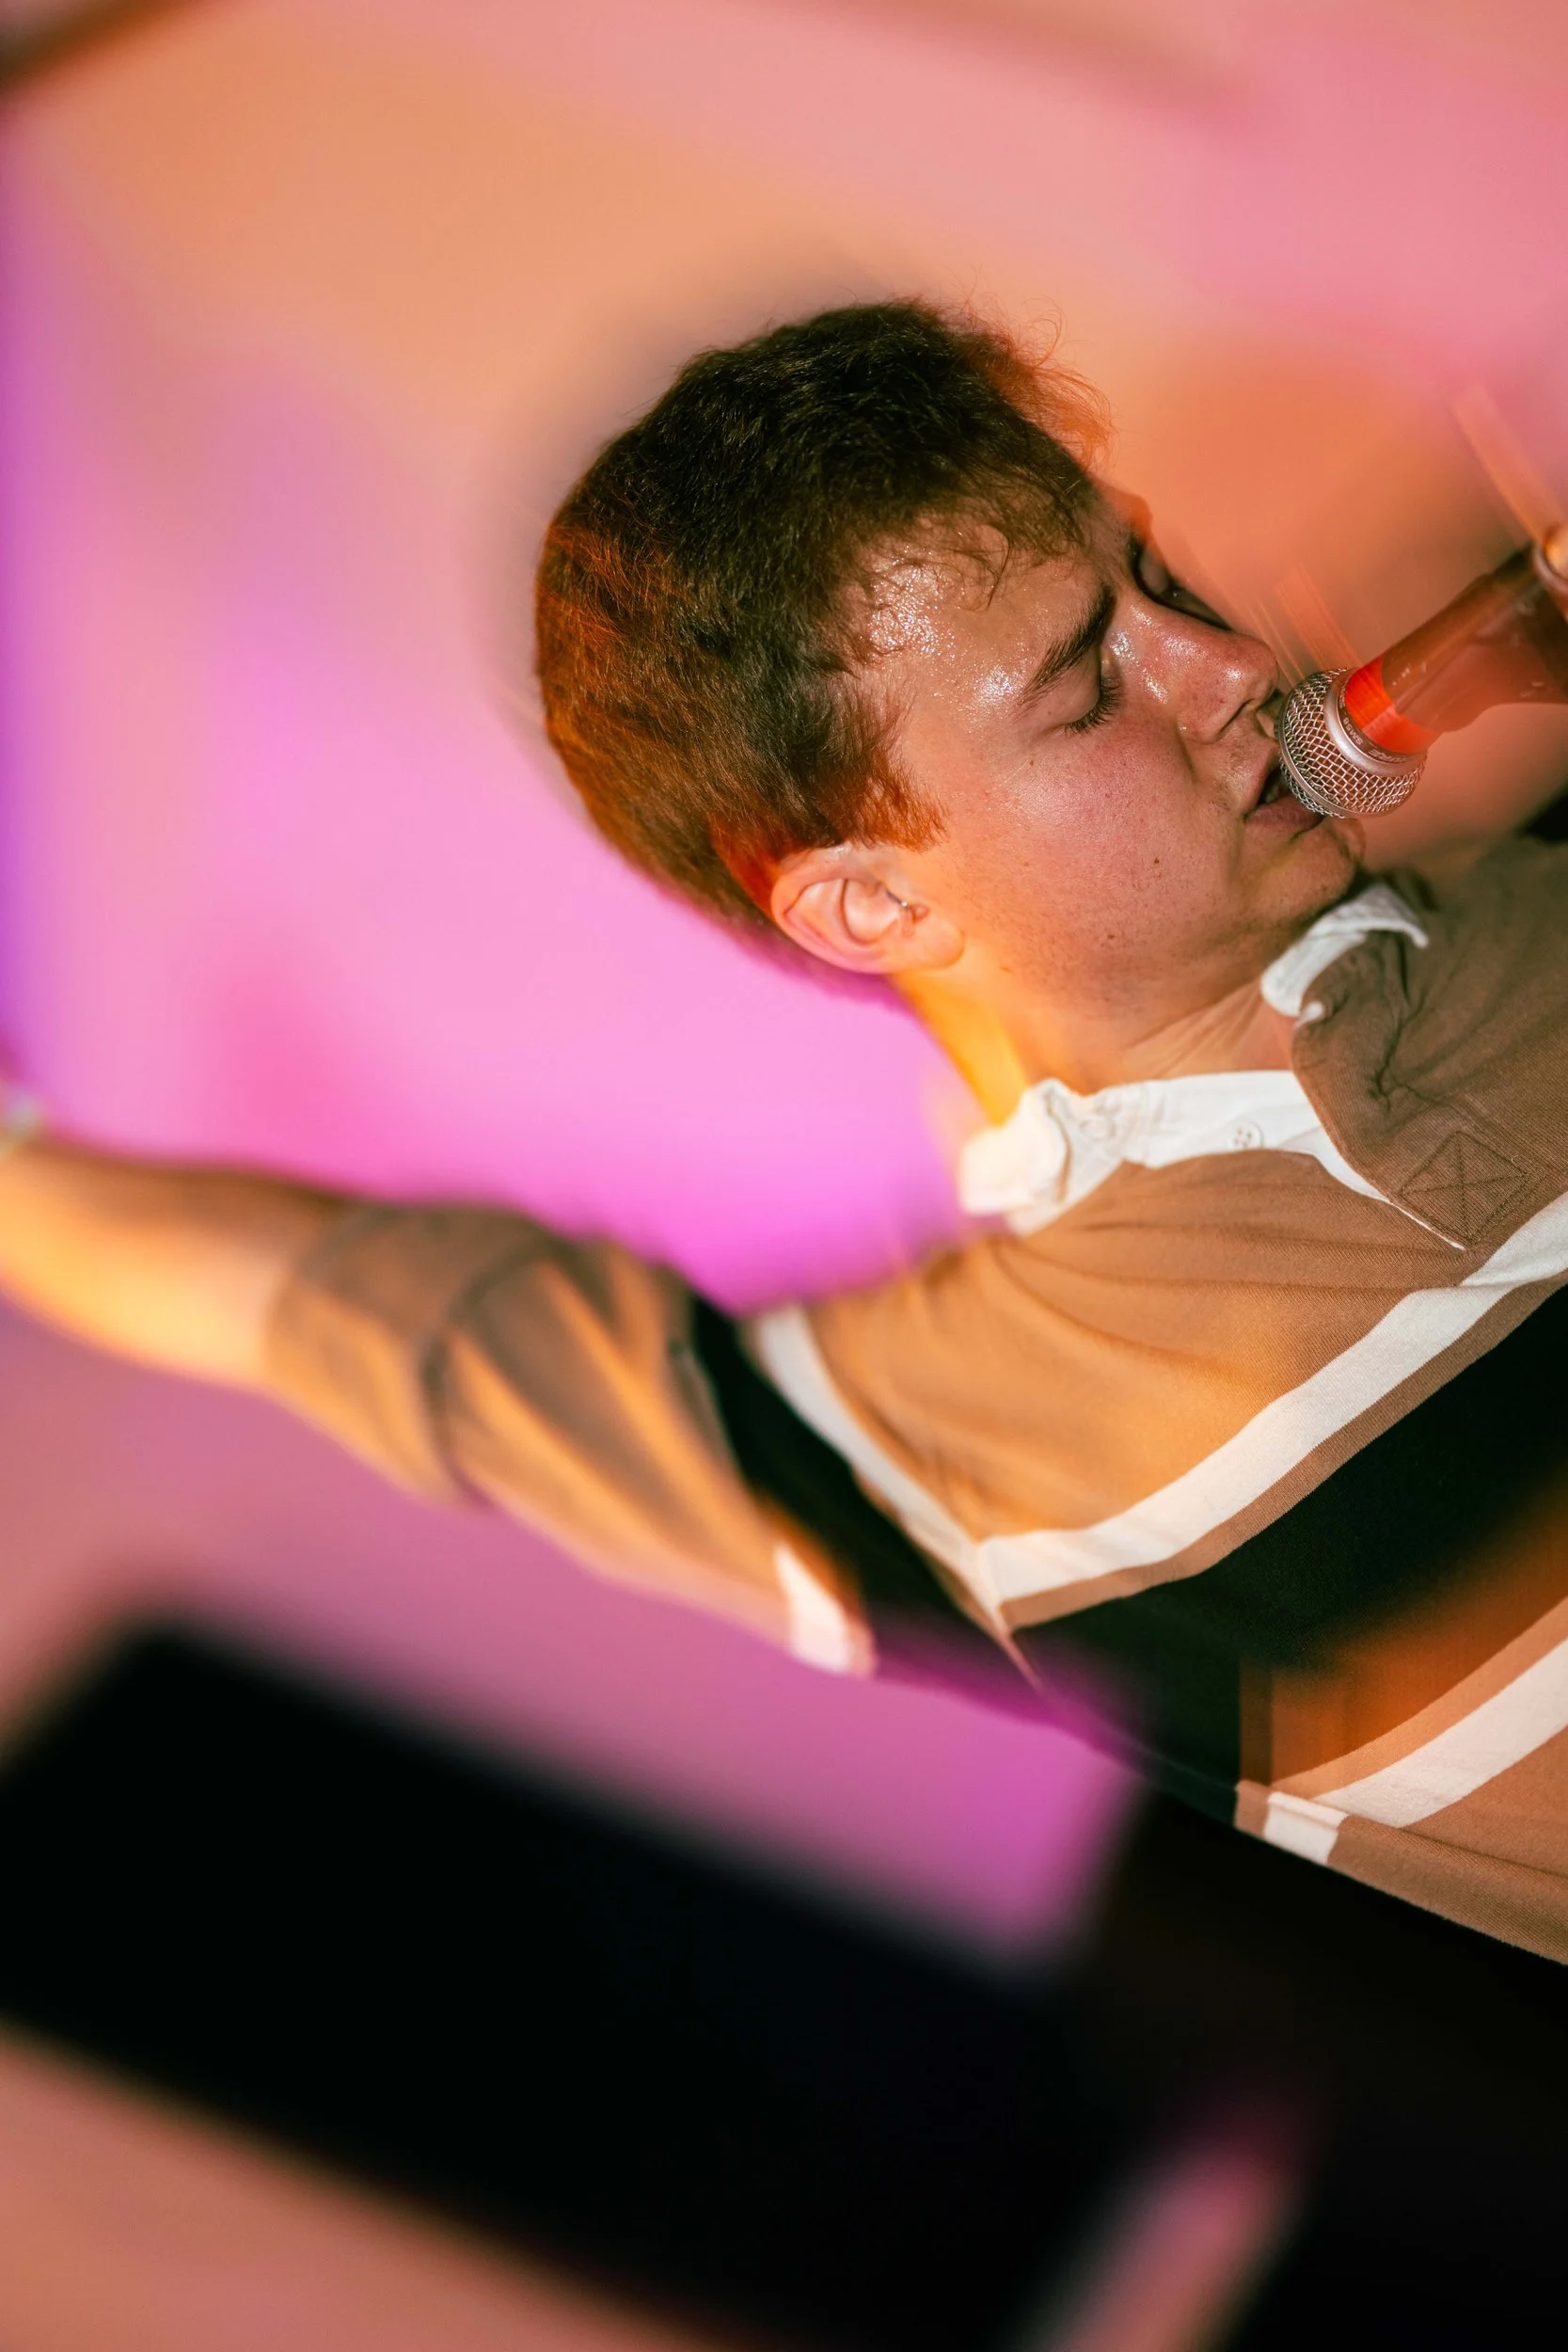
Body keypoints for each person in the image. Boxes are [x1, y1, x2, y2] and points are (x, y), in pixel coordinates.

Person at [2, 303, 1566, 1958]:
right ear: (869, 904)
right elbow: (330, 1301)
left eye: (1158, 585)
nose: (1232, 664)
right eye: (1085, 686)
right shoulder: (944, 1446)